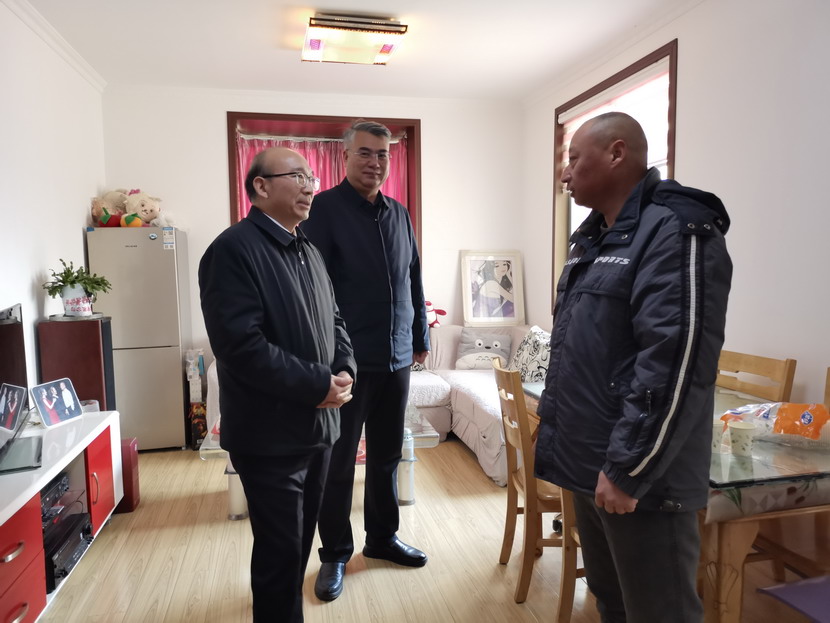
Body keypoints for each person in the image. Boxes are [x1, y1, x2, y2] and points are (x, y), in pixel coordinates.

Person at [534, 112, 732, 623]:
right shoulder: (593, 239)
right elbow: (581, 352)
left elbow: (674, 362)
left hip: (641, 480)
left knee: (659, 611)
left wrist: (629, 469)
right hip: (590, 464)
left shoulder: (677, 230)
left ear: (617, 153)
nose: (565, 173)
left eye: (573, 159)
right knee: (612, 601)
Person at [198, 146, 356, 623]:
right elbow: (240, 346)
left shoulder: (308, 249)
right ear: (261, 186)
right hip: (270, 437)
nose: (310, 187)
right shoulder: (233, 250)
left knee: (298, 548)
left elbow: (334, 319)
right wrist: (317, 383)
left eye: (313, 178)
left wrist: (344, 367)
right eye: (298, 176)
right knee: (279, 556)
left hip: (318, 429)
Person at [302, 119, 430, 602]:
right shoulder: (323, 211)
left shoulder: (400, 214)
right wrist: (326, 360)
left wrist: (419, 336)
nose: (375, 162)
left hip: (396, 358)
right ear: (345, 156)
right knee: (337, 462)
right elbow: (314, 292)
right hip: (347, 363)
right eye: (365, 153)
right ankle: (335, 552)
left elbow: (413, 279)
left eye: (383, 154)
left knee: (386, 457)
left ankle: (382, 538)